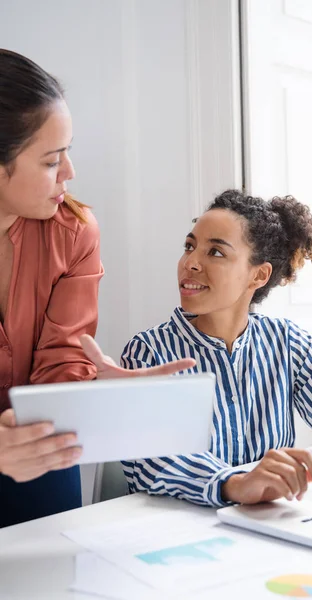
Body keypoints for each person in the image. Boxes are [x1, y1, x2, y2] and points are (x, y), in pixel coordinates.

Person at [0, 49, 194, 527]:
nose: (69, 172)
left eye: (67, 151)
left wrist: (92, 393)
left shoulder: (74, 230)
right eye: (50, 160)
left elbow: (62, 359)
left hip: (39, 455)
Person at [109, 189, 312, 508]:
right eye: (189, 246)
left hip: (265, 524)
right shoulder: (149, 352)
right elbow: (150, 461)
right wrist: (235, 484)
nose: (190, 263)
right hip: (175, 532)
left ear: (259, 275)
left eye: (215, 252)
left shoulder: (287, 343)